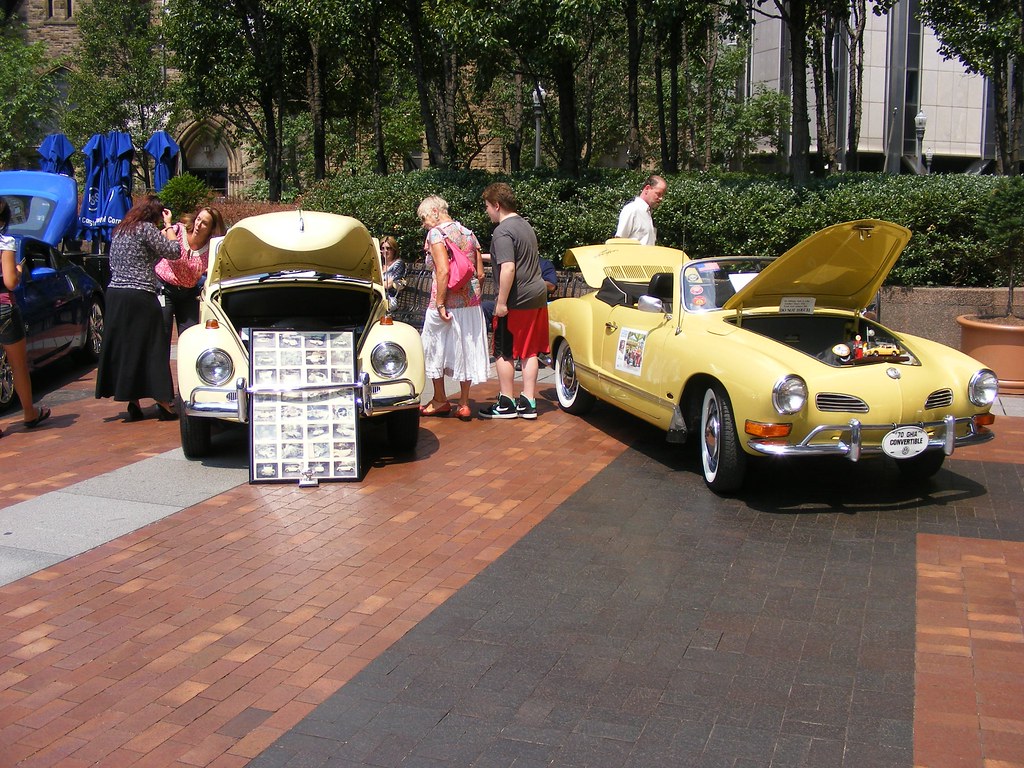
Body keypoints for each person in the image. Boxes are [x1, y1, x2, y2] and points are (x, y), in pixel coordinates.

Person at [95, 195, 182, 422]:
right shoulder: (146, 229)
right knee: (153, 346)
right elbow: (174, 252)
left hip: (115, 294)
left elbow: (143, 255)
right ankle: (164, 402)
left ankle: (132, 401)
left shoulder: (121, 230)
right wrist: (169, 226)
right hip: (139, 294)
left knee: (127, 346)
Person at [479, 182, 549, 420]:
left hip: (516, 300)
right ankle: (528, 402)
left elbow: (508, 267)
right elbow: (510, 256)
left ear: (497, 205)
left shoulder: (502, 231)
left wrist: (500, 302)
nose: (487, 211)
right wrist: (479, 256)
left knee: (504, 351)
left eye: (487, 206)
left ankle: (506, 402)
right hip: (537, 296)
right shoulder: (525, 225)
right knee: (529, 351)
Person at [416, 195, 490, 420]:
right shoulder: (469, 234)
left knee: (433, 347)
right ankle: (465, 403)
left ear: (436, 211)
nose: (424, 223)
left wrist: (440, 303)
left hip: (444, 304)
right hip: (470, 304)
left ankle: (440, 399)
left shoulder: (436, 234)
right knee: (465, 349)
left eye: (424, 217)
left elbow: (443, 271)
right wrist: (471, 296)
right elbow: (480, 273)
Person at [0, 200, 51, 436]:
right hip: (4, 310)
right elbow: (10, 282)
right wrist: (18, 271)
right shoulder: (5, 242)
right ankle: (29, 413)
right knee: (18, 365)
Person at [157, 205, 225, 338]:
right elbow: (155, 243)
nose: (199, 224)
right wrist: (167, 224)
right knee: (161, 334)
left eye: (204, 223)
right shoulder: (176, 230)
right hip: (164, 288)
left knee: (190, 336)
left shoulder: (212, 248)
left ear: (212, 228)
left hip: (188, 293)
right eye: (198, 219)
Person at [615, 174, 667, 245]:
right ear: (647, 189)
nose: (661, 198)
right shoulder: (632, 209)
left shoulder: (647, 213)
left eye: (663, 195)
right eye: (658, 194)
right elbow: (619, 242)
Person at [380, 235, 406, 312]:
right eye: (382, 248)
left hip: (390, 299)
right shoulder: (379, 263)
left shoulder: (398, 264)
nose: (385, 251)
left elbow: (388, 285)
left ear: (394, 250)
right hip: (377, 296)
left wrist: (374, 283)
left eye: (388, 248)